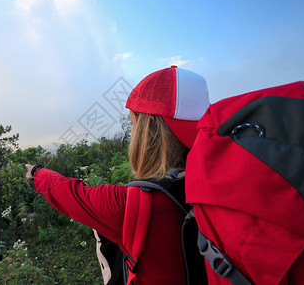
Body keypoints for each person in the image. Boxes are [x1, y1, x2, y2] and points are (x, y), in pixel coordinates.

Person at [25, 65, 210, 284]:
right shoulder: (216, 185)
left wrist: (37, 173)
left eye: (133, 123)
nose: (131, 132)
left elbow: (72, 195)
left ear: (147, 132)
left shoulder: (130, 204)